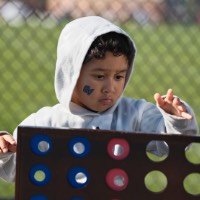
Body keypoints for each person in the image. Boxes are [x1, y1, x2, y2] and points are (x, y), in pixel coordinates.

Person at [0, 16, 198, 182]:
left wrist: (175, 121)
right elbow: (11, 172)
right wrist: (5, 150)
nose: (110, 88)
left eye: (119, 76)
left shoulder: (135, 114)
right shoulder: (45, 122)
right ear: (72, 73)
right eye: (100, 76)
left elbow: (171, 147)